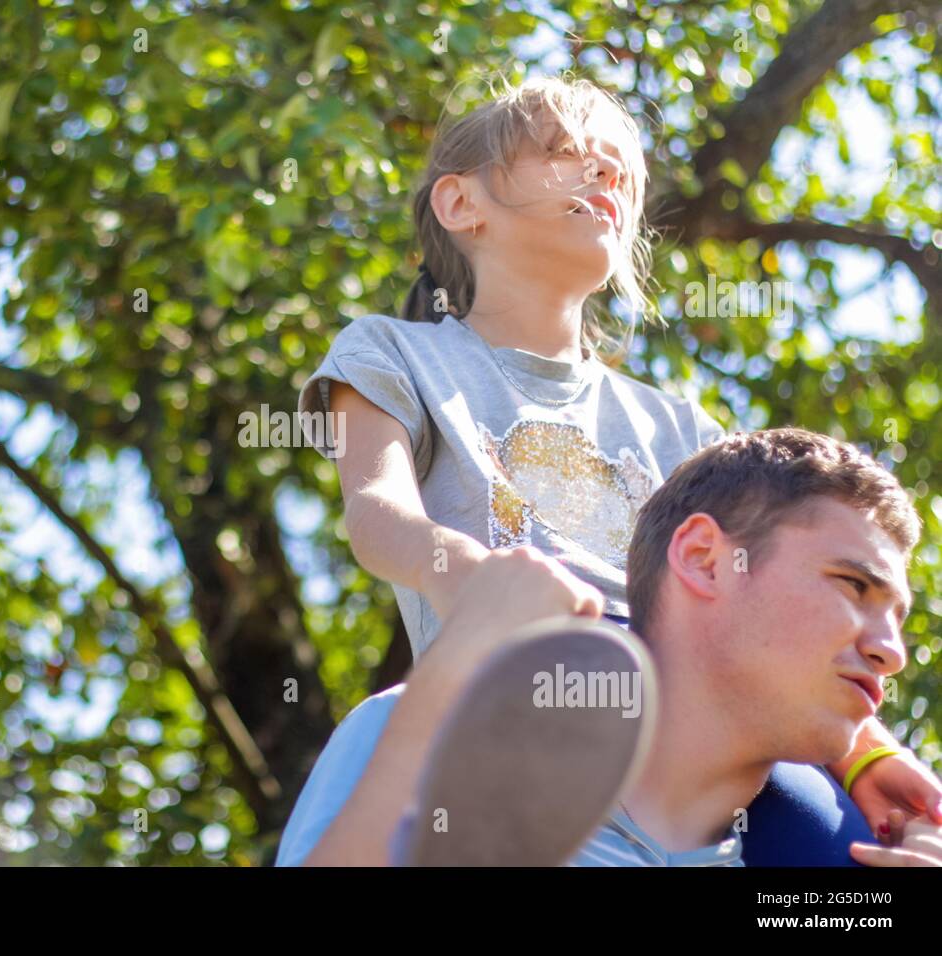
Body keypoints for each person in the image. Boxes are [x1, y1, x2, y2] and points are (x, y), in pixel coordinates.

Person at [293, 74, 942, 863]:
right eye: (567, 154)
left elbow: (767, 627)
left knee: (864, 867)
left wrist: (867, 752)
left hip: (701, 737)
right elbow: (376, 514)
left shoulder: (682, 425)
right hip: (528, 704)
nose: (605, 176)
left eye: (622, 173)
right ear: (463, 205)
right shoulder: (396, 353)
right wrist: (476, 579)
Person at [284, 429, 934, 866]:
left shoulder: (848, 863)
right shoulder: (416, 744)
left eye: (899, 619)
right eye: (853, 584)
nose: (892, 652)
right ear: (707, 561)